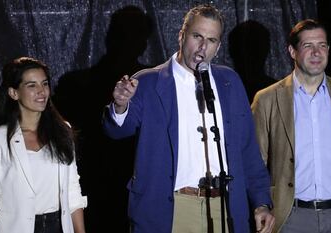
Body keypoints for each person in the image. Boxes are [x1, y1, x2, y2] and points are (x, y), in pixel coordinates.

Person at [102, 4, 274, 233]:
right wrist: (120, 105)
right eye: (197, 36)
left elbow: (248, 150)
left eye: (211, 40)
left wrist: (261, 203)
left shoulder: (229, 82)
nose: (203, 47)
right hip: (172, 209)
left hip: (225, 208)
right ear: (182, 36)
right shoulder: (148, 82)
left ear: (218, 46)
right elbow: (116, 130)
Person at [251, 19, 331, 233]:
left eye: (322, 45)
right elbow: (255, 161)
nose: (316, 52)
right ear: (292, 52)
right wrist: (262, 206)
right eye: (308, 46)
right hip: (292, 217)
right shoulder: (266, 99)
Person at [0, 57, 88, 233]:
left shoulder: (63, 131)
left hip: (59, 226)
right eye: (32, 85)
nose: (41, 91)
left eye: (44, 83)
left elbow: (72, 191)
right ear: (13, 93)